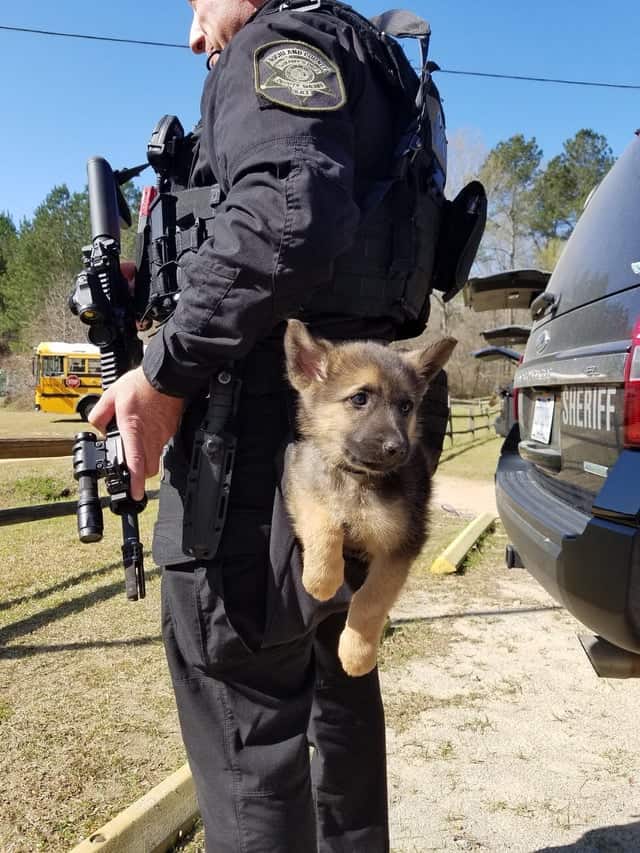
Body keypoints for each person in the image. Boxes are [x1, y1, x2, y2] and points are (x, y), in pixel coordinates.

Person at [90, 0, 450, 849]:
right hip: (348, 458)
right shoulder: (368, 54)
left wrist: (166, 371)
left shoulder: (280, 47)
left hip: (257, 463)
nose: (192, 33)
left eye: (197, 4)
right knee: (340, 699)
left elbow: (293, 211)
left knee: (247, 719)